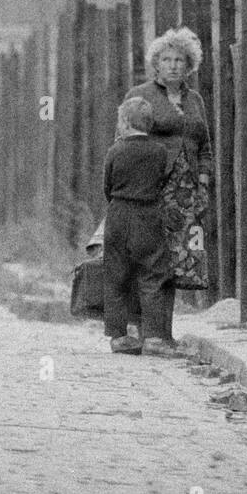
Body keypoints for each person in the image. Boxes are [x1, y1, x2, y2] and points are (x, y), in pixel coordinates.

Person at [119, 27, 213, 352]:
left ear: (189, 66)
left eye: (180, 60)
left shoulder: (195, 100)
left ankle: (163, 334)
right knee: (151, 258)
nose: (173, 66)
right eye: (166, 60)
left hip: (186, 195)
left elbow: (204, 146)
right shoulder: (140, 94)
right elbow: (126, 137)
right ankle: (148, 333)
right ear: (156, 64)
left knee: (175, 262)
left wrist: (203, 180)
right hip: (152, 188)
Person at [102, 97, 169, 356]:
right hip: (148, 215)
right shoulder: (160, 151)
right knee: (152, 275)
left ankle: (118, 336)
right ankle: (153, 337)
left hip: (118, 214)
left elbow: (106, 187)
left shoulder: (115, 151)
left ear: (126, 122)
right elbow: (161, 181)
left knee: (116, 276)